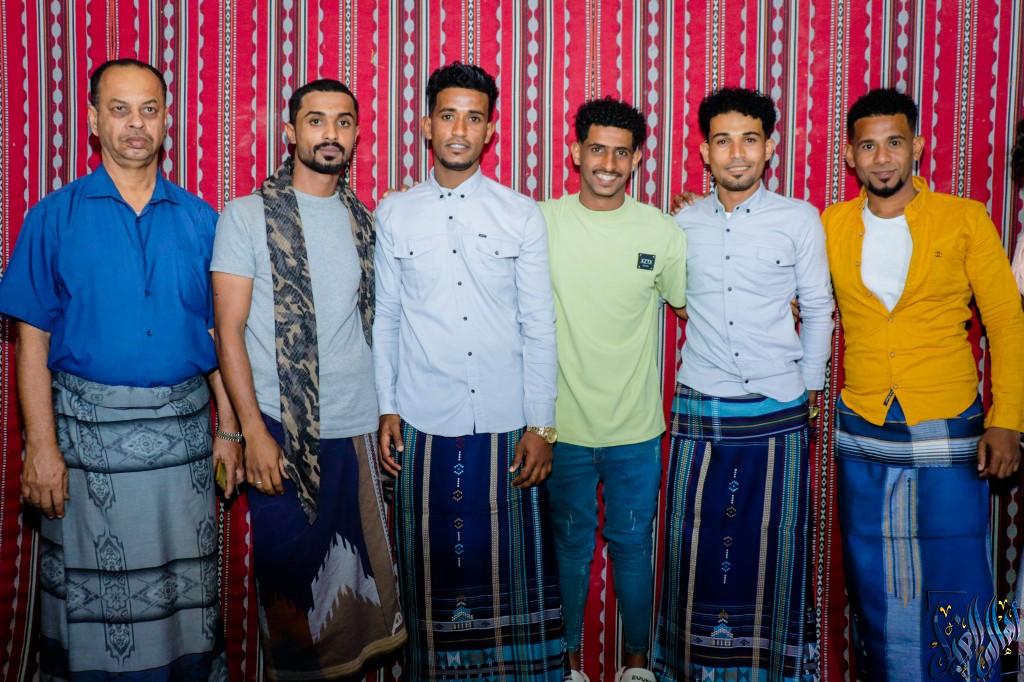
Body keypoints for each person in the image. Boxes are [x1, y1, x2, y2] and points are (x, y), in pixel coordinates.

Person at [0, 58, 241, 680]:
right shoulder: (54, 217)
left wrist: (230, 430)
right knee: (92, 619)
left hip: (185, 447)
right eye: (120, 109)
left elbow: (219, 337)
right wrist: (41, 448)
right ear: (92, 119)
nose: (136, 124)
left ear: (167, 120)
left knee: (185, 605)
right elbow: (30, 342)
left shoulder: (202, 221)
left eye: (149, 110)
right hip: (84, 445)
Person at [824, 87, 1024, 680]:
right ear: (849, 156)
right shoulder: (831, 225)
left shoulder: (964, 218)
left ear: (917, 146)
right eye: (868, 146)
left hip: (949, 420)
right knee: (874, 575)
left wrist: (1007, 420)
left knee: (959, 569)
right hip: (864, 425)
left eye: (894, 142)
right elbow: (789, 289)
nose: (882, 158)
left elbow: (1006, 320)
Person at [374, 61, 564, 681]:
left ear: (490, 130)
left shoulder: (520, 213)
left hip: (507, 424)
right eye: (449, 115)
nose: (460, 129)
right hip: (423, 421)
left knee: (510, 576)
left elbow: (539, 324)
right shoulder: (395, 213)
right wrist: (386, 406)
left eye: (474, 117)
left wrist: (542, 424)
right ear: (426, 125)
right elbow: (387, 319)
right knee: (432, 572)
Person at [210, 78, 405, 679]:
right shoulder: (247, 216)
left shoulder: (365, 221)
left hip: (356, 430)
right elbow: (227, 331)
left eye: (343, 122)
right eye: (316, 120)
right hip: (280, 429)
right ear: (291, 132)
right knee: (291, 587)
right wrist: (250, 432)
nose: (330, 133)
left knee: (360, 592)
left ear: (356, 134)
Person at [652, 87, 832, 682]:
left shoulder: (799, 219)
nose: (737, 153)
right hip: (700, 401)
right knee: (693, 544)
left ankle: (773, 669)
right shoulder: (680, 223)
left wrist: (808, 389)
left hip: (779, 405)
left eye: (749, 140)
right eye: (723, 141)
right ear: (705, 151)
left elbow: (819, 307)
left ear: (769, 147)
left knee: (775, 545)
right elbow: (669, 296)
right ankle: (689, 667)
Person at [540, 97, 686, 682]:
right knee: (568, 549)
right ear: (576, 152)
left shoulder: (661, 230)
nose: (608, 163)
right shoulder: (540, 221)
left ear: (637, 159)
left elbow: (694, 303)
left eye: (621, 153)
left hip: (636, 430)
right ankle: (569, 666)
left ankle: (636, 667)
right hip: (560, 431)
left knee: (633, 546)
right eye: (597, 149)